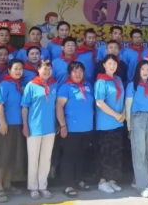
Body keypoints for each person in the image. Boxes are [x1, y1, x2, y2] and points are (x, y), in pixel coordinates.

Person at [0, 59, 25, 202]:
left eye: (20, 68)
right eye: (15, 68)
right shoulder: (4, 85)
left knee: (12, 156)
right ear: (9, 70)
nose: (18, 71)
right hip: (6, 126)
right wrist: (2, 122)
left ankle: (8, 184)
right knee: (2, 157)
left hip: (18, 125)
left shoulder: (20, 85)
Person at [57, 61, 95, 197]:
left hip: (87, 128)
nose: (78, 74)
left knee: (81, 156)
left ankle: (79, 179)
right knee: (69, 157)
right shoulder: (65, 87)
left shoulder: (87, 85)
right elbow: (59, 107)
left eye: (80, 71)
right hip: (71, 129)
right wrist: (62, 125)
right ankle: (68, 184)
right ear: (69, 73)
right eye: (75, 71)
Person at [21, 60, 58, 200]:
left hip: (50, 127)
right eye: (44, 68)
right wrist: (25, 125)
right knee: (33, 159)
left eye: (49, 69)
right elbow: (25, 107)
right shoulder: (31, 85)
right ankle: (33, 187)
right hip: (34, 127)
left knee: (46, 159)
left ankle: (43, 186)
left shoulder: (54, 85)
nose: (47, 71)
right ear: (38, 69)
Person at [125, 60, 148, 198]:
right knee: (139, 152)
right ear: (138, 70)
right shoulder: (132, 85)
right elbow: (128, 105)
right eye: (143, 69)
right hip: (138, 118)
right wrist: (129, 126)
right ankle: (144, 186)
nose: (145, 72)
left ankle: (137, 179)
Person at [94, 54, 126, 194]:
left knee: (116, 152)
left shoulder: (118, 79)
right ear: (104, 65)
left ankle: (112, 179)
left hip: (118, 123)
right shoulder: (101, 81)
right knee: (105, 153)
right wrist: (115, 115)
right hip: (105, 124)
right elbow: (100, 102)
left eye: (114, 63)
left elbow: (122, 99)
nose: (112, 66)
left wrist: (123, 113)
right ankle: (102, 181)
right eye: (109, 63)